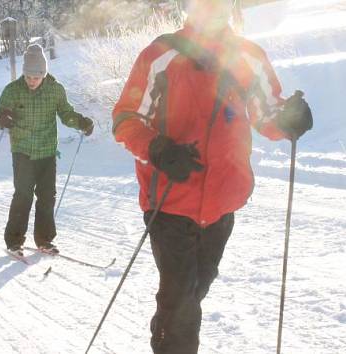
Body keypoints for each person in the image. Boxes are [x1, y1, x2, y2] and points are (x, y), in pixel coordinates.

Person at [112, 0, 313, 353]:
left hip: (223, 203)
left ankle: (167, 332)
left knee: (194, 291)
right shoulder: (161, 54)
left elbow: (267, 114)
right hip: (170, 202)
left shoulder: (248, 55)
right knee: (181, 303)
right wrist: (157, 149)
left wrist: (290, 119)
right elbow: (126, 118)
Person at [0, 44, 95, 257]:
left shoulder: (55, 89)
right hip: (22, 150)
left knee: (47, 196)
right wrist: (2, 118)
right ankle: (14, 241)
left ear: (44, 73)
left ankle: (44, 239)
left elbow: (65, 113)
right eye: (28, 76)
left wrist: (81, 122)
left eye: (36, 77)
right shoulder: (13, 90)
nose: (32, 81)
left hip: (47, 150)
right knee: (23, 195)